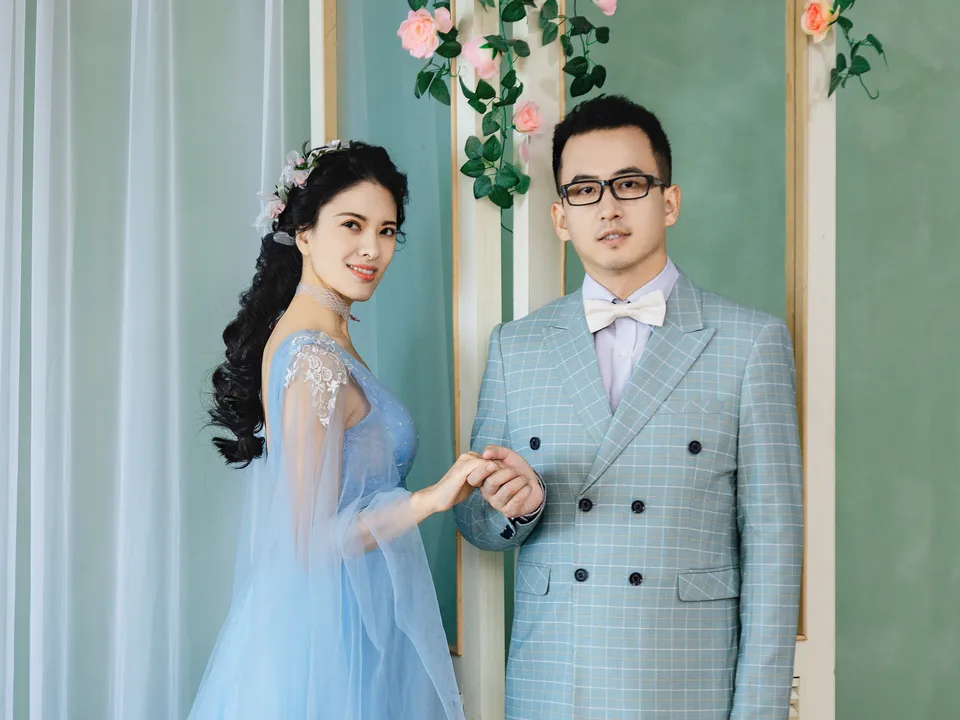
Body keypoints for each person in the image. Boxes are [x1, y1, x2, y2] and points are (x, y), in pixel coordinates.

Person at [454, 95, 804, 719]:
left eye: (630, 184)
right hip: (555, 683)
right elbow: (476, 522)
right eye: (585, 190)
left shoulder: (750, 344)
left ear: (669, 202)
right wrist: (516, 506)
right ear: (561, 217)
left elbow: (774, 550)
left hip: (684, 683)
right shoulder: (517, 347)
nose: (609, 207)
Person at [191, 140, 500, 719]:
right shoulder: (314, 358)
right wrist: (429, 500)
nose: (372, 249)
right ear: (303, 233)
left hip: (354, 617)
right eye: (352, 225)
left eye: (388, 231)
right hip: (333, 632)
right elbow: (310, 543)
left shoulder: (324, 341)